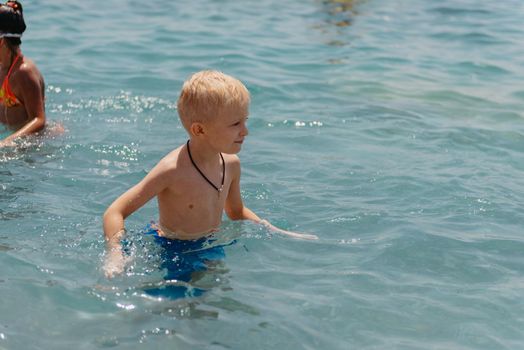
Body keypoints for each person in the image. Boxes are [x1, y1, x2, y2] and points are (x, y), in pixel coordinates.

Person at [103, 70, 318, 279]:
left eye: (245, 121)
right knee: (179, 305)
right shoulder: (172, 170)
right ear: (199, 130)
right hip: (172, 248)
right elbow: (115, 212)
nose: (245, 131)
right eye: (235, 124)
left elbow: (236, 211)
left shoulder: (231, 164)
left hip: (210, 243)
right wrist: (115, 253)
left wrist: (271, 229)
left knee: (212, 303)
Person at [0, 1, 46, 147]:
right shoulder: (2, 67)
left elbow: (39, 120)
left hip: (30, 146)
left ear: (1, 41)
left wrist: (6, 143)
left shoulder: (24, 72)